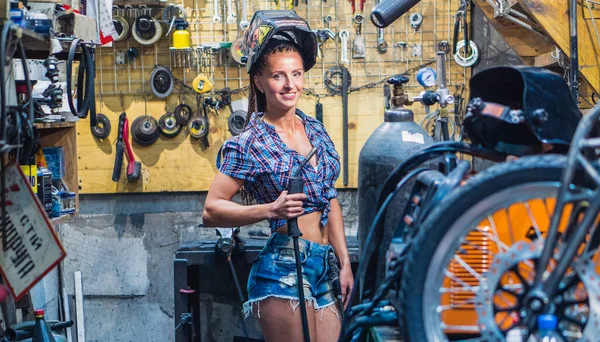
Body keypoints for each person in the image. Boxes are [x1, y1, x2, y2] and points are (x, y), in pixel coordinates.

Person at [202, 10, 353, 342]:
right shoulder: (249, 143)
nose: (290, 85)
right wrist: (271, 209)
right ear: (259, 80)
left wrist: (344, 263)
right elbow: (212, 210)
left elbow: (330, 198)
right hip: (284, 267)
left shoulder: (314, 129)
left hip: (323, 265)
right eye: (279, 76)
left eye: (296, 74)